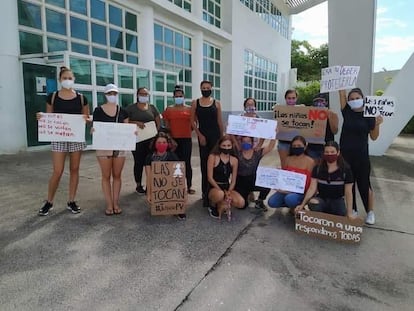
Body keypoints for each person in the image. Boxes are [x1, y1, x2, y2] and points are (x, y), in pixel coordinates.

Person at [37, 66, 89, 216]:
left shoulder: (81, 98)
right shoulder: (52, 96)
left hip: (75, 137)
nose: (67, 80)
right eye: (65, 78)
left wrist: (88, 119)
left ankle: (71, 200)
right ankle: (49, 201)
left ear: (74, 80)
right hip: (59, 136)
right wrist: (41, 117)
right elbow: (49, 117)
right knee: (58, 171)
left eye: (70, 78)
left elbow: (87, 117)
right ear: (60, 80)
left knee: (74, 169)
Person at [338, 88, 383, 224]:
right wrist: (342, 86)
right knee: (349, 184)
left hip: (361, 155)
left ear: (363, 98)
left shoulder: (370, 115)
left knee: (364, 184)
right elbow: (341, 93)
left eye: (356, 98)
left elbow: (374, 137)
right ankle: (353, 209)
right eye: (351, 99)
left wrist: (377, 124)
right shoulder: (347, 112)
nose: (353, 100)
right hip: (345, 156)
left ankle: (370, 212)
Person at [92, 84, 129, 216]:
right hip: (104, 147)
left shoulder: (123, 111)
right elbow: (95, 128)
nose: (112, 96)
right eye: (110, 93)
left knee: (117, 175)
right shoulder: (97, 110)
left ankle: (115, 202)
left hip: (119, 147)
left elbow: (127, 128)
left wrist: (132, 133)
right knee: (106, 176)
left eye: (114, 93)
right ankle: (109, 204)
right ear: (105, 95)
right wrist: (93, 131)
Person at [295, 141, 354, 217]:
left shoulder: (346, 170)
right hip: (322, 198)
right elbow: (312, 188)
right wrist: (302, 204)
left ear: (338, 152)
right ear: (323, 153)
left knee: (341, 212)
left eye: (332, 152)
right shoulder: (318, 169)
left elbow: (348, 192)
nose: (329, 154)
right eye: (327, 152)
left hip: (337, 200)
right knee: (313, 203)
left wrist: (349, 212)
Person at [190, 80, 224, 207]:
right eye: (203, 88)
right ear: (200, 89)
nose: (205, 89)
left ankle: (214, 192)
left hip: (215, 137)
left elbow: (220, 122)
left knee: (215, 164)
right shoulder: (195, 103)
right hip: (203, 137)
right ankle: (205, 194)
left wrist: (222, 138)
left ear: (211, 88)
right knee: (205, 165)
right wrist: (199, 135)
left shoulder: (217, 103)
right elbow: (192, 121)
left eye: (208, 88)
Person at [126, 87, 161, 194]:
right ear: (137, 95)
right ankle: (138, 185)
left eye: (146, 94)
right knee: (138, 162)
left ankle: (150, 184)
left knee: (150, 162)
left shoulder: (152, 108)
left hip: (150, 140)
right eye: (141, 94)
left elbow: (158, 121)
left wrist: (156, 133)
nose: (144, 96)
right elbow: (125, 122)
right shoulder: (131, 108)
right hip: (137, 140)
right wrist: (136, 122)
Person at [144, 132, 186, 220]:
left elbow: (179, 176)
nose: (161, 144)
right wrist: (149, 194)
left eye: (164, 142)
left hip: (171, 185)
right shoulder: (149, 157)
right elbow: (149, 177)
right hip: (155, 186)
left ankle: (177, 208)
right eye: (159, 142)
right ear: (155, 144)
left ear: (168, 144)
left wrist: (183, 193)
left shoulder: (172, 156)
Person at [268, 135, 315, 211]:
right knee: (272, 202)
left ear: (305, 147)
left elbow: (309, 183)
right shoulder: (288, 159)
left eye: (299, 145)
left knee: (290, 198)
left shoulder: (310, 161)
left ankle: (297, 206)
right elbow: (284, 176)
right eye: (294, 146)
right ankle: (292, 205)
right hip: (287, 189)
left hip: (301, 192)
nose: (296, 147)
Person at [162, 85, 195, 194]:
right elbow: (167, 126)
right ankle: (175, 185)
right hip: (173, 140)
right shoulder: (169, 109)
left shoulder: (190, 109)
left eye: (180, 96)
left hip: (186, 139)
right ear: (173, 97)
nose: (178, 98)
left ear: (184, 96)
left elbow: (194, 124)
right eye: (176, 96)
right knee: (174, 163)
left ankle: (189, 185)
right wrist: (171, 139)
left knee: (187, 163)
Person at [233, 134, 276, 211]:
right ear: (241, 142)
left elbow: (270, 146)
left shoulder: (257, 152)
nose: (246, 143)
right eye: (244, 141)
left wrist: (273, 133)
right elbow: (230, 137)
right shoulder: (237, 152)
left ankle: (260, 201)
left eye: (248, 141)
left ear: (252, 142)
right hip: (240, 184)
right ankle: (243, 195)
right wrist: (230, 130)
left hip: (253, 181)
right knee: (242, 206)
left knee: (266, 186)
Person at [207, 135, 245, 219]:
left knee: (241, 202)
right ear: (219, 145)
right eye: (224, 145)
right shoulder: (212, 157)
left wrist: (229, 192)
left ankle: (223, 203)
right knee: (220, 194)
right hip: (214, 185)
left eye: (228, 145)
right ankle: (212, 205)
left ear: (232, 146)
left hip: (226, 186)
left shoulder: (234, 160)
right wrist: (222, 191)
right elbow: (210, 177)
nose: (226, 148)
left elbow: (233, 180)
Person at [306, 93, 339, 163]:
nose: (319, 103)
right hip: (312, 147)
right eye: (316, 101)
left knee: (324, 169)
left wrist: (330, 118)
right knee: (313, 169)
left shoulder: (333, 114)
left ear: (326, 102)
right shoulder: (310, 113)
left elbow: (335, 131)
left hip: (326, 147)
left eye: (321, 101)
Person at [277, 89, 299, 168]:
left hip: (297, 143)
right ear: (285, 99)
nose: (291, 100)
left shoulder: (301, 110)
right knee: (284, 166)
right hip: (283, 143)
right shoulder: (280, 111)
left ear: (296, 98)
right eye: (289, 98)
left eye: (293, 98)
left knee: (296, 166)